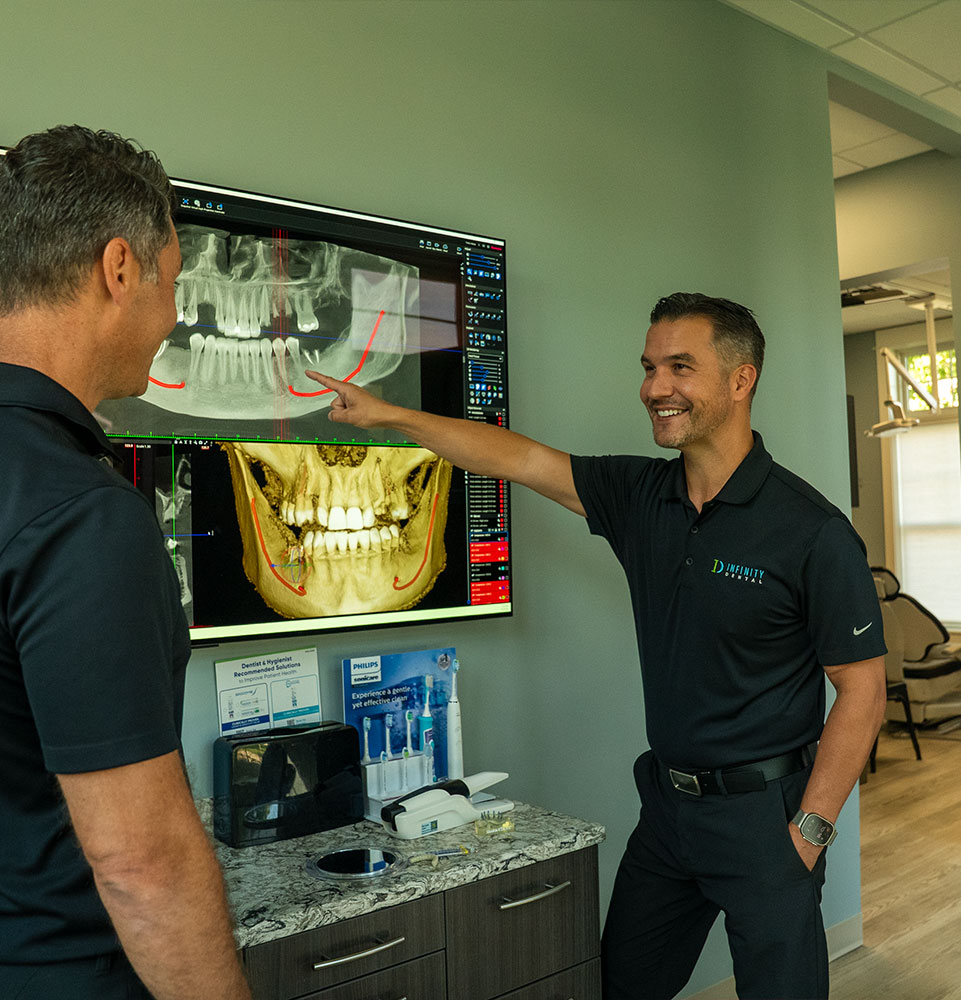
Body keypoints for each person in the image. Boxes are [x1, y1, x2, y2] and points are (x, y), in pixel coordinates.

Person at [304, 292, 887, 1000]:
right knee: (619, 987)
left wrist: (810, 830)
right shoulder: (640, 494)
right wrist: (389, 414)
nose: (654, 388)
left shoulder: (810, 531)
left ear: (741, 380)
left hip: (767, 819)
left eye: (680, 367)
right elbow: (517, 457)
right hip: (669, 811)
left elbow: (860, 690)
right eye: (648, 367)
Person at [0, 126, 251, 1000]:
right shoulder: (82, 515)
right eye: (172, 281)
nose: (177, 312)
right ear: (118, 269)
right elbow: (140, 862)